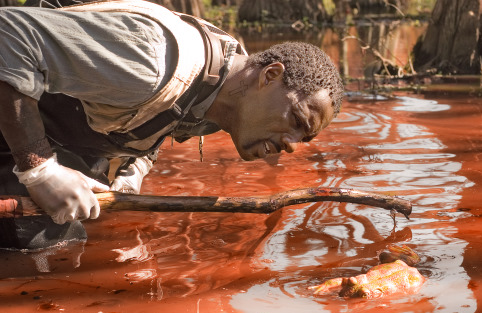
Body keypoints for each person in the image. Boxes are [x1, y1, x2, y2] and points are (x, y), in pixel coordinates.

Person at [0, 0, 344, 249]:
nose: (292, 145)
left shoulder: (223, 104)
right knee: (40, 244)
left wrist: (132, 171)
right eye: (297, 120)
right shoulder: (152, 63)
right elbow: (8, 35)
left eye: (305, 138)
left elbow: (159, 122)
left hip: (65, 138)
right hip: (14, 119)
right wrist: (40, 170)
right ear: (270, 76)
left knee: (80, 233)